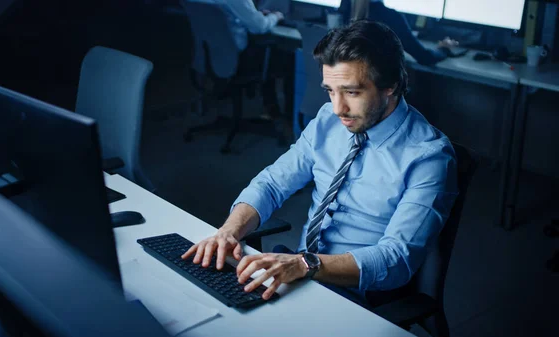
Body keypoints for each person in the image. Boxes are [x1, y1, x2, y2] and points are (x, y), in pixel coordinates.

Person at [182, 20, 458, 305]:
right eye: (330, 90)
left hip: (359, 296)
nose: (338, 108)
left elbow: (397, 259)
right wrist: (230, 231)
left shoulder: (429, 157)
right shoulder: (328, 119)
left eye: (352, 92)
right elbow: (273, 183)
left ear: (391, 85)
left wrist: (305, 264)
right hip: (303, 274)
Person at [187, 0, 293, 121]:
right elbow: (259, 27)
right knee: (290, 56)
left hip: (208, 55)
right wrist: (276, 16)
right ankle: (288, 117)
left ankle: (270, 107)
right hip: (237, 60)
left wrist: (255, 15)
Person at [352, 0, 459, 65]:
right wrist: (444, 48)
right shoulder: (390, 17)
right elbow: (425, 58)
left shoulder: (347, 8)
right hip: (381, 96)